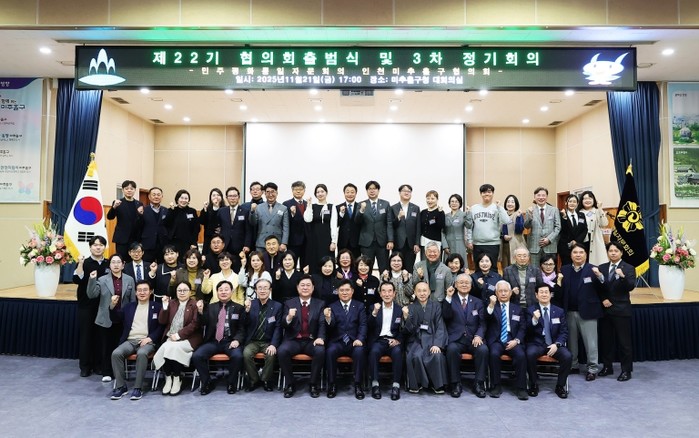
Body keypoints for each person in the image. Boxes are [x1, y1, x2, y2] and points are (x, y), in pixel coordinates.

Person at [109, 280, 164, 401]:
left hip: (148, 341)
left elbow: (162, 326)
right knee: (116, 353)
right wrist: (112, 306)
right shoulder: (129, 307)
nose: (142, 293)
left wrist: (150, 338)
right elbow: (115, 319)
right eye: (139, 290)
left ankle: (138, 388)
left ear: (151, 292)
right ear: (135, 292)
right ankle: (121, 386)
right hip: (130, 340)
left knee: (142, 353)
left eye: (145, 290)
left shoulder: (157, 307)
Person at [87, 254, 136, 382]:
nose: (116, 265)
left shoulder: (129, 279)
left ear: (123, 265)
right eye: (113, 262)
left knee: (120, 347)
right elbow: (91, 294)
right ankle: (107, 372)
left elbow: (133, 300)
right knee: (106, 347)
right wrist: (92, 279)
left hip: (123, 319)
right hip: (106, 318)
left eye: (118, 262)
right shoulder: (102, 279)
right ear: (109, 265)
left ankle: (119, 372)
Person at [192, 280, 246, 395]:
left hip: (230, 341)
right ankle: (207, 382)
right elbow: (203, 323)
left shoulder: (239, 308)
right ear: (217, 292)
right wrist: (200, 312)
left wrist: (237, 340)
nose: (223, 292)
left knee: (238, 356)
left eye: (226, 289)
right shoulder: (210, 307)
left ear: (232, 291)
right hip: (213, 341)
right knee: (197, 356)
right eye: (220, 290)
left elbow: (242, 328)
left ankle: (231, 382)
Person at [560, 244, 604, 380]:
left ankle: (592, 368)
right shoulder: (564, 269)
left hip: (588, 312)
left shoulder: (593, 269)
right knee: (571, 342)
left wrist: (600, 276)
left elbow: (604, 287)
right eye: (575, 252)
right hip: (569, 312)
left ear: (586, 254)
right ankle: (573, 365)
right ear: (571, 255)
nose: (578, 255)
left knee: (591, 343)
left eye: (581, 252)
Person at [278, 274, 326, 398]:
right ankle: (290, 384)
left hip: (311, 340)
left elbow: (322, 323)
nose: (305, 288)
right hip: (294, 340)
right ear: (297, 288)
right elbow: (283, 324)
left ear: (313, 288)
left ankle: (313, 384)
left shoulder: (320, 304)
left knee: (320, 351)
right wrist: (289, 317)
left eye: (308, 285)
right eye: (302, 285)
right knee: (282, 351)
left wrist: (320, 337)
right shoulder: (289, 303)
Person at [442, 274, 488, 399]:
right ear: (456, 285)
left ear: (471, 286)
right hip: (456, 339)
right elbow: (445, 316)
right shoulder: (450, 299)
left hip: (473, 339)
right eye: (461, 282)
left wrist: (478, 335)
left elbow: (483, 323)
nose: (464, 285)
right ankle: (455, 384)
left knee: (483, 350)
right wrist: (448, 297)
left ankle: (479, 383)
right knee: (451, 350)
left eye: (467, 283)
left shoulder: (478, 302)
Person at [153, 281, 203, 396]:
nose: (182, 292)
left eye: (185, 290)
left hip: (189, 338)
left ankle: (177, 378)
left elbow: (195, 324)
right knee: (167, 347)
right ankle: (168, 378)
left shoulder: (195, 304)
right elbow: (162, 321)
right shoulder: (171, 303)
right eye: (179, 290)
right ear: (176, 292)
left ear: (190, 292)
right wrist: (164, 307)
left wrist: (179, 335)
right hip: (171, 337)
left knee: (172, 348)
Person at [597, 241, 637, 382]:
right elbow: (599, 287)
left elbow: (630, 286)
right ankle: (607, 367)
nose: (613, 253)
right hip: (605, 310)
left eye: (616, 251)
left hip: (621, 310)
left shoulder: (629, 268)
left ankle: (626, 370)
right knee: (606, 341)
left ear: (621, 252)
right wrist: (603, 299)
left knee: (624, 343)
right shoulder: (602, 267)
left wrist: (623, 277)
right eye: (611, 251)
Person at [525, 283, 572, 399]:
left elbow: (564, 332)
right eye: (541, 292)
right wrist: (534, 320)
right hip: (537, 343)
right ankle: (533, 384)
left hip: (554, 343)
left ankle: (560, 386)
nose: (544, 294)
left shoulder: (559, 311)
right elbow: (526, 330)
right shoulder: (530, 310)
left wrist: (557, 344)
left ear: (551, 294)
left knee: (567, 356)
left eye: (546, 292)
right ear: (536, 295)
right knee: (529, 354)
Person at [324, 279, 367, 399]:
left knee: (359, 351)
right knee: (330, 351)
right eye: (341, 290)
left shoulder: (359, 306)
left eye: (347, 290)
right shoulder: (332, 306)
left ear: (352, 291)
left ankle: (358, 384)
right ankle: (332, 384)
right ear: (337, 292)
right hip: (337, 342)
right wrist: (328, 318)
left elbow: (363, 325)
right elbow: (330, 327)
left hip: (354, 341)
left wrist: (360, 339)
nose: (344, 293)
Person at [485, 280, 528, 400]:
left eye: (506, 291)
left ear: (510, 293)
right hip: (497, 339)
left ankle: (521, 388)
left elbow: (523, 327)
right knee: (493, 354)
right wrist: (491, 305)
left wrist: (517, 340)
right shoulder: (491, 306)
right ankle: (496, 386)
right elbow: (486, 318)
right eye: (500, 291)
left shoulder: (517, 308)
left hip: (512, 339)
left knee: (521, 355)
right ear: (496, 293)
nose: (503, 293)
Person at [73, 236, 110, 377]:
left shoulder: (108, 263)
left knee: (101, 337)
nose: (98, 247)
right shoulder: (84, 262)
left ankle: (98, 365)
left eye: (101, 245)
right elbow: (77, 279)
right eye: (95, 245)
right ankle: (85, 366)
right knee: (86, 336)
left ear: (105, 247)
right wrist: (80, 264)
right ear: (90, 247)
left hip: (103, 306)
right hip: (86, 305)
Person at [403, 281, 448, 394]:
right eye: (419, 291)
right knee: (416, 356)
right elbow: (408, 331)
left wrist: (437, 344)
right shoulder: (410, 307)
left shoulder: (436, 306)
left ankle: (437, 384)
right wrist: (406, 317)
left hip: (432, 339)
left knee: (437, 355)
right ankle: (418, 383)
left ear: (429, 292)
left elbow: (440, 326)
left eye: (424, 291)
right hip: (416, 340)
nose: (422, 293)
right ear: (414, 292)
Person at [242, 279, 283, 392]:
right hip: (253, 341)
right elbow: (243, 324)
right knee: (246, 353)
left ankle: (266, 380)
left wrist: (273, 344)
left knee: (271, 354)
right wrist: (246, 311)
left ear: (270, 290)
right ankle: (254, 380)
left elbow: (278, 327)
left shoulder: (277, 306)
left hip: (268, 341)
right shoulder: (251, 304)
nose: (262, 290)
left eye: (265, 288)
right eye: (259, 288)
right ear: (255, 290)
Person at [367, 282, 404, 401]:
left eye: (389, 291)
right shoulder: (373, 307)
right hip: (378, 340)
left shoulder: (399, 309)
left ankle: (396, 386)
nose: (387, 294)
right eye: (384, 291)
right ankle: (375, 385)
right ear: (380, 293)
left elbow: (403, 330)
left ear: (394, 293)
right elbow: (368, 327)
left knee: (398, 352)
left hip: (393, 340)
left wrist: (397, 340)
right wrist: (374, 313)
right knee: (374, 352)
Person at [465, 183, 510, 267]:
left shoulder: (497, 207)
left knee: (492, 268)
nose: (486, 194)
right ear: (481, 194)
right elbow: (469, 227)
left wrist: (500, 208)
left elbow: (506, 221)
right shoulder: (474, 208)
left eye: (489, 192)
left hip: (493, 244)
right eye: (484, 192)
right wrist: (470, 241)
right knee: (478, 268)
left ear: (493, 193)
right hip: (477, 244)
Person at [355, 180, 394, 273]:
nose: (372, 191)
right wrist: (361, 210)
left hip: (382, 242)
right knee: (366, 268)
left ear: (378, 190)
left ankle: (384, 283)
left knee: (384, 268)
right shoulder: (361, 204)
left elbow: (389, 223)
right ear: (367, 191)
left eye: (374, 189)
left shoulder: (385, 204)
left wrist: (390, 240)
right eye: (369, 189)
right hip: (366, 243)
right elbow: (357, 222)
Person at [304, 183, 338, 273]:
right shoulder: (312, 206)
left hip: (327, 239)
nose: (320, 194)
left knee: (327, 260)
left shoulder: (331, 206)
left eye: (322, 191)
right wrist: (309, 205)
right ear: (315, 194)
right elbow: (307, 219)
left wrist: (334, 242)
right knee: (314, 260)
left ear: (326, 193)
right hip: (314, 239)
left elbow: (333, 225)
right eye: (318, 192)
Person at [524, 186, 561, 268]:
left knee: (549, 269)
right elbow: (526, 226)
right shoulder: (530, 210)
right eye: (538, 195)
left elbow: (558, 227)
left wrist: (549, 239)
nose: (541, 197)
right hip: (534, 246)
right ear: (534, 197)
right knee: (534, 270)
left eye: (543, 195)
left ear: (547, 197)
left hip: (550, 246)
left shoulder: (554, 210)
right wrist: (530, 216)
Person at [218, 186, 252, 273]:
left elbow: (248, 230)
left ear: (238, 197)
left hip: (240, 248)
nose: (232, 198)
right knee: (225, 269)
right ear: (226, 198)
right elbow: (217, 228)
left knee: (238, 270)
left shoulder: (245, 211)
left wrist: (247, 245)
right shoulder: (221, 211)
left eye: (235, 196)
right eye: (230, 196)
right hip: (225, 246)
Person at [107, 179, 143, 261]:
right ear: (123, 190)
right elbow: (110, 217)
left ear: (135, 190)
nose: (129, 190)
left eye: (131, 189)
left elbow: (141, 222)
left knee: (134, 260)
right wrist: (114, 207)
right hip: (121, 238)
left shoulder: (139, 203)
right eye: (127, 189)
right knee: (121, 259)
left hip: (135, 238)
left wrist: (141, 215)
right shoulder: (118, 202)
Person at [250, 182, 289, 252]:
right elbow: (253, 223)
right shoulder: (258, 207)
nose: (270, 194)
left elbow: (286, 228)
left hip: (277, 243)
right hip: (261, 243)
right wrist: (252, 211)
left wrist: (284, 243)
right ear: (264, 193)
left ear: (277, 193)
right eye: (268, 192)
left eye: (273, 192)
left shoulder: (283, 208)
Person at [162, 189, 200, 261]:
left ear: (188, 200)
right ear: (177, 199)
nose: (184, 200)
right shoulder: (171, 210)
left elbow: (196, 228)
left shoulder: (192, 211)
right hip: (174, 243)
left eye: (186, 198)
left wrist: (194, 242)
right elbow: (166, 224)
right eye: (181, 198)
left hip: (189, 243)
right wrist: (172, 211)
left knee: (189, 261)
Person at [390, 184, 421, 271]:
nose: (406, 193)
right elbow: (391, 225)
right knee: (397, 267)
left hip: (411, 244)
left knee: (409, 268)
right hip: (398, 243)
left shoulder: (416, 208)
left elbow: (418, 227)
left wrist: (417, 243)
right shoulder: (393, 208)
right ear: (400, 193)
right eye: (404, 191)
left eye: (409, 191)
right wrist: (398, 217)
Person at [283, 181, 310, 269]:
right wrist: (292, 214)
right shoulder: (286, 204)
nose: (298, 191)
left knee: (305, 264)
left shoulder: (308, 204)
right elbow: (285, 222)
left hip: (306, 240)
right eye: (296, 189)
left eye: (300, 189)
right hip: (293, 240)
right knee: (292, 264)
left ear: (304, 190)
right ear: (292, 190)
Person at [578, 190, 609, 266]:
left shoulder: (597, 211)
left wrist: (600, 208)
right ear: (581, 201)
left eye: (590, 198)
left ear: (594, 200)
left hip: (594, 239)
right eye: (585, 199)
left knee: (594, 262)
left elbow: (604, 224)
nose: (587, 200)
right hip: (581, 240)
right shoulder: (578, 212)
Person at [558, 194, 588, 266]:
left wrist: (576, 241)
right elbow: (561, 230)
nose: (572, 203)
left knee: (579, 265)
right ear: (566, 203)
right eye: (570, 201)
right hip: (565, 246)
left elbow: (585, 229)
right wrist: (565, 218)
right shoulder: (561, 214)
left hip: (579, 245)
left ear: (577, 203)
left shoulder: (581, 215)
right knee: (566, 266)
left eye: (574, 202)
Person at [141, 186, 168, 263]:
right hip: (147, 244)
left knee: (162, 266)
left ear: (162, 197)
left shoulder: (166, 210)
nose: (156, 197)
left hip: (162, 244)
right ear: (149, 197)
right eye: (154, 194)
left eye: (158, 195)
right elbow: (139, 228)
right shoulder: (143, 210)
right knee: (147, 266)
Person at [336, 182, 362, 259]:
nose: (350, 194)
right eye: (347, 192)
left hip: (357, 242)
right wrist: (341, 213)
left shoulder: (360, 207)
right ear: (344, 193)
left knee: (356, 262)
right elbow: (336, 224)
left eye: (352, 192)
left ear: (356, 193)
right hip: (343, 241)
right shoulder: (338, 207)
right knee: (342, 261)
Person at [500, 194, 527, 265]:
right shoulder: (502, 215)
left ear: (516, 204)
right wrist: (503, 236)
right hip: (504, 245)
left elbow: (519, 230)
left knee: (515, 265)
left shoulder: (518, 214)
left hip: (516, 244)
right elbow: (499, 230)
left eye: (512, 202)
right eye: (508, 202)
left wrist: (518, 218)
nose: (510, 204)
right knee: (505, 267)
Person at [443, 194, 469, 263]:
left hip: (459, 244)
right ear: (449, 203)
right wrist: (445, 246)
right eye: (452, 201)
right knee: (448, 264)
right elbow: (442, 232)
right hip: (448, 244)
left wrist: (469, 214)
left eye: (456, 201)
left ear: (460, 203)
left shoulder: (464, 214)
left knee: (460, 263)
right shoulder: (445, 216)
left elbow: (469, 226)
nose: (454, 203)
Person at [419, 190, 446, 258]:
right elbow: (420, 228)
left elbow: (441, 226)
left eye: (432, 199)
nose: (430, 201)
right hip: (424, 243)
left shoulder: (440, 212)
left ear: (437, 200)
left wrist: (439, 213)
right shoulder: (423, 212)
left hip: (436, 243)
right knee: (424, 262)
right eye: (428, 198)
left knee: (436, 262)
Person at [199, 188, 225, 257]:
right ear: (210, 198)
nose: (216, 197)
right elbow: (202, 221)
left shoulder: (225, 209)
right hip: (209, 240)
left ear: (221, 197)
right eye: (213, 195)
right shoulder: (207, 209)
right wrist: (205, 210)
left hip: (222, 239)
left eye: (218, 195)